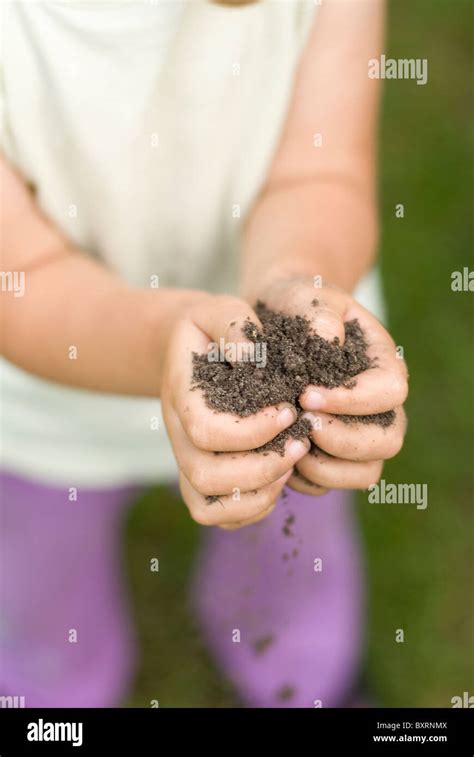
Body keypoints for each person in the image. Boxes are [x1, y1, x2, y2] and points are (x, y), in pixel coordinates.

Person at [0, 0, 407, 708]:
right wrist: (166, 340)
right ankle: (50, 693)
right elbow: (21, 275)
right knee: (41, 586)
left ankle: (297, 675)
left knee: (290, 552)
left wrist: (297, 287)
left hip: (290, 402)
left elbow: (320, 174)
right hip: (44, 412)